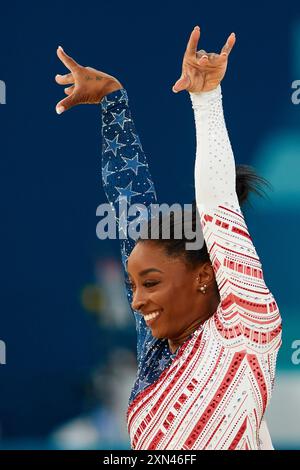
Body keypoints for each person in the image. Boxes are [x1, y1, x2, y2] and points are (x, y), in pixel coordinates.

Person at [55, 26, 282, 450]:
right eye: (134, 286)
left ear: (203, 275)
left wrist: (207, 100)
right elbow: (130, 209)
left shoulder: (244, 329)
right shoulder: (157, 352)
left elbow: (217, 203)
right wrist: (113, 103)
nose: (137, 301)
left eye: (151, 283)